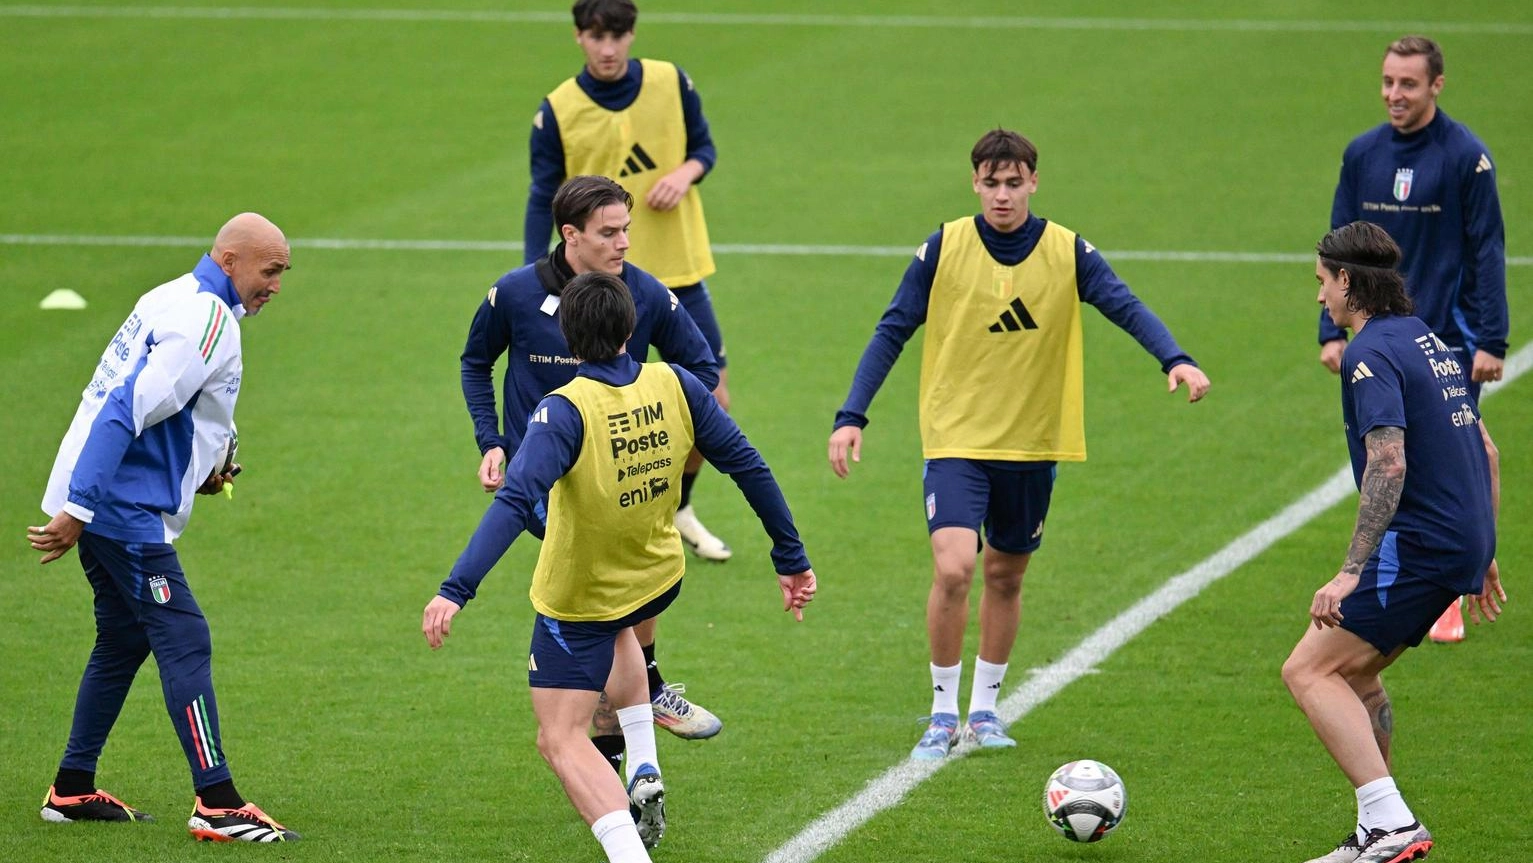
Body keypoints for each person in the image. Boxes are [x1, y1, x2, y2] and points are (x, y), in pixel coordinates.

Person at [827, 129, 1210, 761]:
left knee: (1005, 575)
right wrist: (852, 414)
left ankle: (984, 709)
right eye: (991, 182)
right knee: (954, 568)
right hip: (956, 438)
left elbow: (1123, 304)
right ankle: (941, 712)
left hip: (1033, 443)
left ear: (1033, 181)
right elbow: (893, 327)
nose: (1002, 195)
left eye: (1014, 182)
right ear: (974, 182)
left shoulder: (1068, 251)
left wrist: (1175, 358)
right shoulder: (943, 247)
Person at [425, 271, 816, 862]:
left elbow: (513, 501)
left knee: (558, 737)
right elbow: (749, 465)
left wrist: (456, 589)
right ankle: (644, 760)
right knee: (623, 634)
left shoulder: (564, 411)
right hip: (655, 578)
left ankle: (629, 856)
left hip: (581, 594)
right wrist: (790, 556)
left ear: (569, 340)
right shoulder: (677, 383)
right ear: (632, 330)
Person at [26, 213, 300, 843]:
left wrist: (202, 467)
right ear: (229, 260)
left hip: (107, 494)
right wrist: (81, 509)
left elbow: (156, 407)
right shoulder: (206, 319)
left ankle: (70, 789)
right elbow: (125, 408)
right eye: (271, 270)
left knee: (123, 638)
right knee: (185, 636)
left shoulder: (174, 296)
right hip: (116, 508)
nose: (277, 285)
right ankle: (218, 802)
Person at [465, 175, 723, 753]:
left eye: (627, 229)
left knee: (609, 622)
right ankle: (644, 703)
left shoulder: (647, 294)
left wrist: (659, 430)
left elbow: (701, 372)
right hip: (545, 492)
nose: (624, 243)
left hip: (622, 482)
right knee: (614, 613)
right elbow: (475, 360)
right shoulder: (514, 294)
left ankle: (616, 761)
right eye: (609, 233)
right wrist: (493, 441)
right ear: (570, 235)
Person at [1285, 221, 1502, 863]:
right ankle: (1374, 830)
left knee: (1309, 670)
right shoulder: (1428, 339)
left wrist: (1351, 571)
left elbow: (1389, 463)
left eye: (1322, 282)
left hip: (1424, 542)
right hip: (1459, 539)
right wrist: (1483, 546)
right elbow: (1485, 448)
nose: (1320, 297)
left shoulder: (1369, 354)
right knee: (1356, 673)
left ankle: (1391, 824)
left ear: (1348, 280)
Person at [525, 0, 734, 563]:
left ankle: (679, 506)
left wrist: (684, 175)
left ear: (632, 33)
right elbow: (542, 196)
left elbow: (705, 148)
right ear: (579, 38)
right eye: (596, 36)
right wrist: (535, 276)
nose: (609, 47)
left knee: (714, 398)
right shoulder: (559, 110)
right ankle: (594, 515)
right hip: (595, 289)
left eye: (617, 35)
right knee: (599, 406)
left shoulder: (672, 82)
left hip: (679, 270)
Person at [1318, 34, 1508, 643]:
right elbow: (1336, 244)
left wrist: (1492, 339)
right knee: (1399, 456)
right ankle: (1424, 577)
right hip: (1371, 333)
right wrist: (1331, 328)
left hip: (1442, 335)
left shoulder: (1465, 157)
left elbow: (1486, 249)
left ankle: (1446, 587)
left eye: (1408, 84)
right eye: (1387, 82)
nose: (1394, 94)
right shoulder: (1362, 153)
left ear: (1436, 86)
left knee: (1446, 459)